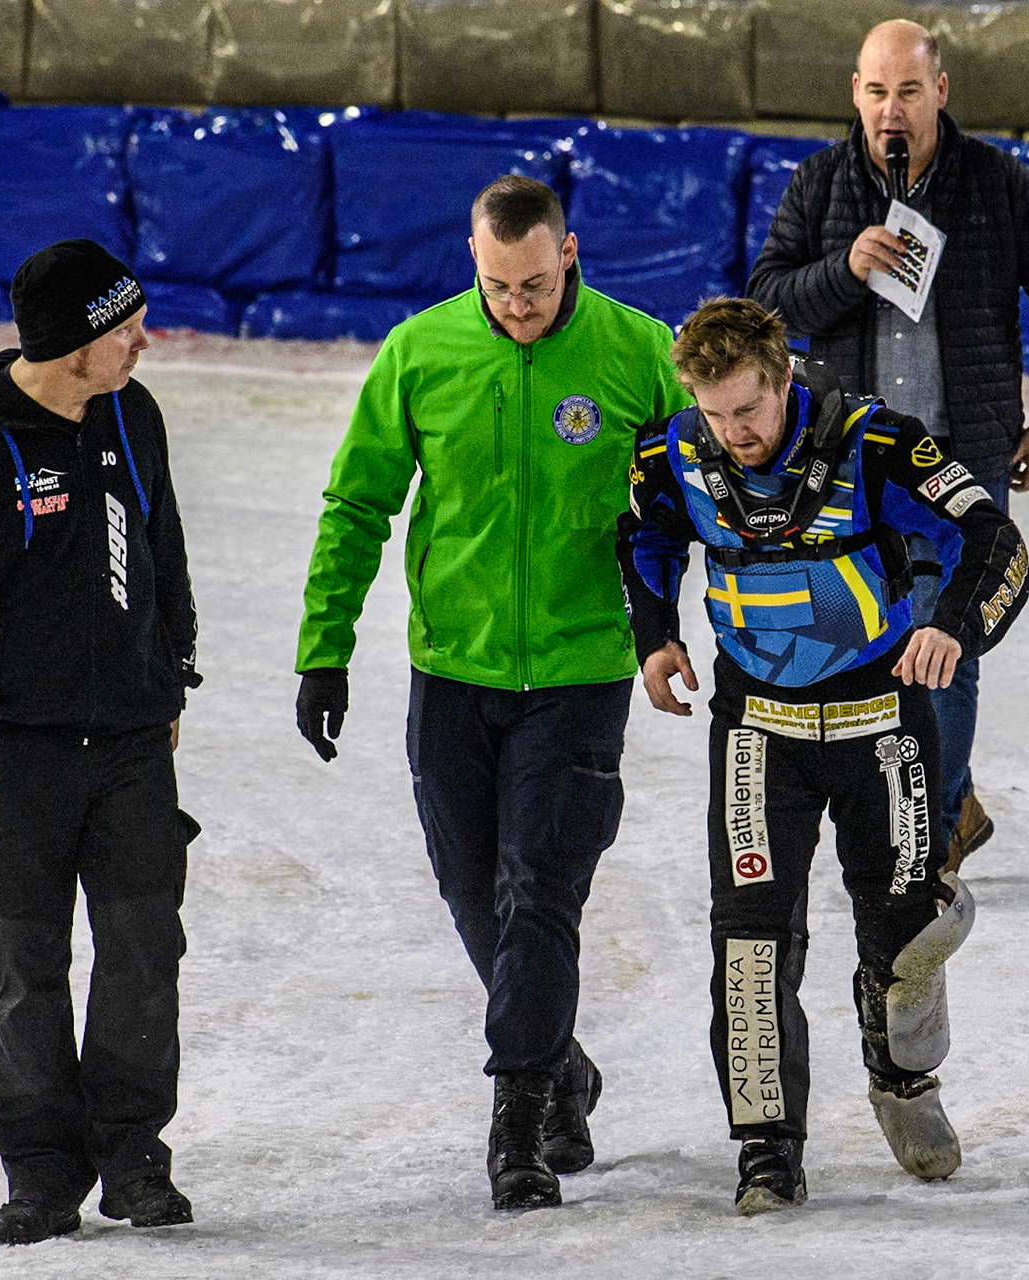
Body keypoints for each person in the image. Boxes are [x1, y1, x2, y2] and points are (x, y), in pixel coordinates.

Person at [293, 175, 686, 1211]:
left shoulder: (640, 351)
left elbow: (706, 490)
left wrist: (692, 622)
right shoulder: (421, 353)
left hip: (582, 671)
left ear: (571, 252)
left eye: (537, 283)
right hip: (453, 676)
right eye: (499, 285)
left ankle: (519, 1119)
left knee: (541, 895)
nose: (519, 304)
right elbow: (357, 504)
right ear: (473, 256)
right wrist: (322, 650)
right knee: (476, 895)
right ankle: (564, 1062)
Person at [617, 297, 1029, 1213]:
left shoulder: (879, 445)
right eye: (715, 415)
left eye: (750, 412)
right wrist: (655, 636)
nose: (735, 435)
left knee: (902, 939)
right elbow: (642, 535)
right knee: (752, 949)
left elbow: (994, 541)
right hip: (759, 735)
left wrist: (954, 631)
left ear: (785, 378)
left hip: (882, 726)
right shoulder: (673, 456)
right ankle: (767, 1151)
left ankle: (903, 1076)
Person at [0, 239, 201, 1244]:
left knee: (145, 953)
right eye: (124, 330)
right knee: (26, 965)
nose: (143, 342)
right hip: (13, 752)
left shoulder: (130, 413)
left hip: (128, 745)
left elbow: (164, 547)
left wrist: (172, 673)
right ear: (75, 344)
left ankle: (134, 1158)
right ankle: (39, 1171)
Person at [748, 18, 1029, 871]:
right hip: (851, 469)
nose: (890, 110)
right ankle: (950, 802)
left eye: (908, 91)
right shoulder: (821, 185)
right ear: (855, 96)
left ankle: (930, 839)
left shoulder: (998, 186)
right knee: (869, 648)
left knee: (951, 645)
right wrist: (845, 268)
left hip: (961, 464)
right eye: (876, 92)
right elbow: (765, 307)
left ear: (940, 92)